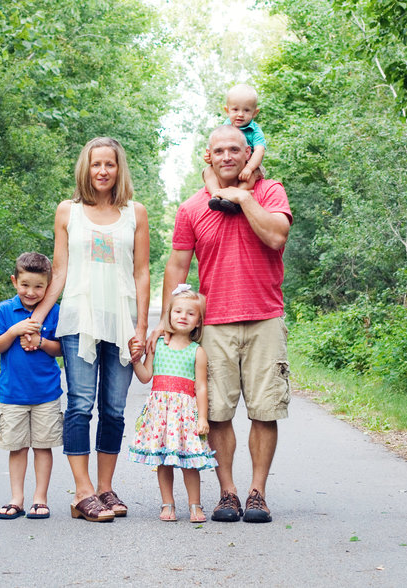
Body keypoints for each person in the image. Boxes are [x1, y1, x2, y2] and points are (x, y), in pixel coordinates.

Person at [152, 124, 292, 524]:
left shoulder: (270, 192)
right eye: (220, 151)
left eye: (237, 149)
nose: (229, 156)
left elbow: (276, 236)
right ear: (208, 157)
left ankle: (257, 493)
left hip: (265, 317)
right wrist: (166, 319)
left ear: (248, 155)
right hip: (214, 324)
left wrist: (242, 198)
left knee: (264, 411)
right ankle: (227, 492)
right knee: (216, 413)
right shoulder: (193, 208)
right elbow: (177, 265)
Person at [25, 137, 150, 522]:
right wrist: (38, 318)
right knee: (80, 404)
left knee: (113, 409)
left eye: (109, 164)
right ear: (86, 167)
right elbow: (59, 271)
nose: (102, 171)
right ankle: (82, 493)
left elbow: (142, 272)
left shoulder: (136, 213)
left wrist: (141, 327)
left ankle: (105, 487)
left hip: (121, 322)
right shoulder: (68, 212)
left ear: (118, 169)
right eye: (96, 164)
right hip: (79, 320)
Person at [128, 284, 217, 523]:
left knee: (190, 462)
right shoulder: (158, 346)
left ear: (198, 321)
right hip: (161, 414)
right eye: (178, 311)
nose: (183, 317)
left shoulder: (197, 351)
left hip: (185, 414)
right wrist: (136, 360)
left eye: (190, 313)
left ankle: (195, 505)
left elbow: (201, 387)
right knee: (163, 461)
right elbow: (146, 376)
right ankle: (167, 503)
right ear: (168, 315)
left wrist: (202, 417)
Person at [0, 252, 64, 520]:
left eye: (39, 286)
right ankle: (16, 498)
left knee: (43, 446)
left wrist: (41, 341)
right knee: (17, 447)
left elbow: (61, 350)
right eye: (25, 285)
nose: (31, 292)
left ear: (49, 285)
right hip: (13, 394)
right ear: (14, 281)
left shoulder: (54, 311)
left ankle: (39, 498)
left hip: (46, 393)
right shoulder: (4, 311)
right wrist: (14, 331)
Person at [204, 83, 267, 214]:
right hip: (230, 167)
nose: (240, 114)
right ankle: (216, 195)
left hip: (251, 165)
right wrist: (209, 156)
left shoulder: (255, 131)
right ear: (227, 111)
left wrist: (249, 168)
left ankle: (237, 195)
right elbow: (215, 143)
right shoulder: (224, 127)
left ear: (255, 112)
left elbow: (260, 151)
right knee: (207, 171)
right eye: (235, 110)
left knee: (252, 175)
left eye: (246, 110)